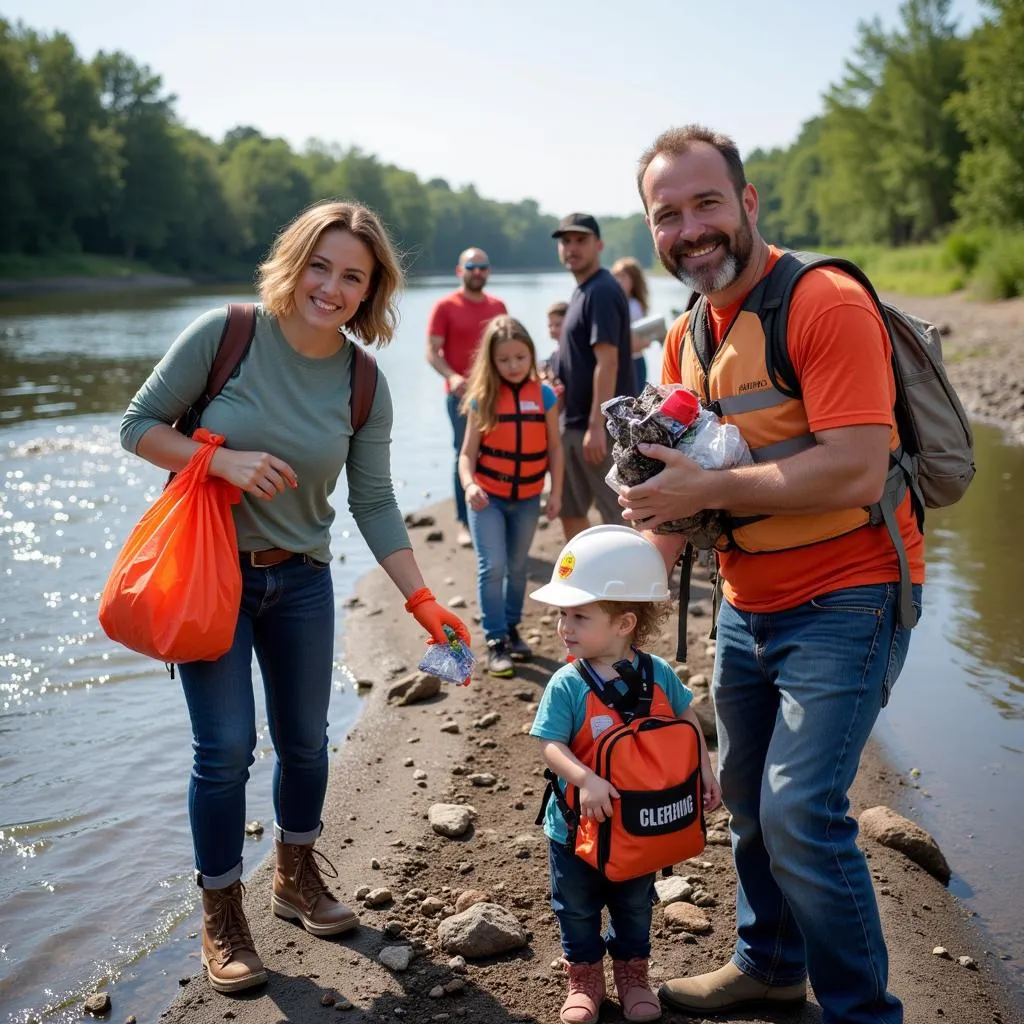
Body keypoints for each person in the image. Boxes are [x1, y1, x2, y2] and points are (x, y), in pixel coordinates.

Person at [119, 200, 472, 996]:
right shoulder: (227, 334)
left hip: (303, 580)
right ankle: (220, 910)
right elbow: (138, 426)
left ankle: (294, 879)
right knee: (225, 750)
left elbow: (374, 500)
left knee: (307, 743)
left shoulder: (363, 381)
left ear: (371, 291)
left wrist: (422, 602)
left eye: (353, 276)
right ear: (294, 261)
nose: (332, 287)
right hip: (211, 576)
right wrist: (221, 461)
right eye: (321, 265)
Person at [623, 124, 925, 1023]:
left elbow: (856, 468)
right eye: (667, 214)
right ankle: (770, 964)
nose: (691, 228)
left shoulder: (824, 302)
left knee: (800, 813)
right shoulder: (682, 339)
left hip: (853, 594)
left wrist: (705, 483)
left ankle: (863, 1011)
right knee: (749, 802)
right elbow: (678, 505)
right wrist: (610, 628)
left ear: (748, 204)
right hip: (746, 606)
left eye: (707, 202)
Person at [529, 525, 721, 1024]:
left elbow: (686, 723)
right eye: (562, 615)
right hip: (575, 827)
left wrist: (705, 771)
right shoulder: (568, 683)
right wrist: (586, 779)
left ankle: (634, 975)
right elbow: (549, 744)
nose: (563, 627)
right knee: (575, 905)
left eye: (579, 616)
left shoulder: (656, 672)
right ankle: (585, 980)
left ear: (624, 622)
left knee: (635, 905)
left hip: (640, 824)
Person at [458, 316, 564, 677]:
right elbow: (466, 456)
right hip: (488, 497)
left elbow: (555, 448)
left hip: (529, 498)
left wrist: (557, 493)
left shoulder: (545, 395)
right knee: (494, 566)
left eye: (520, 357)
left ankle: (513, 626)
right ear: (492, 361)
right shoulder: (482, 399)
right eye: (504, 360)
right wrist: (470, 485)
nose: (514, 366)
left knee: (518, 568)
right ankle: (495, 640)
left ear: (530, 355)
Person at [552, 214, 636, 542]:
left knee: (615, 517)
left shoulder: (601, 289)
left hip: (598, 430)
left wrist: (596, 427)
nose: (571, 248)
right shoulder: (580, 292)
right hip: (573, 425)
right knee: (571, 512)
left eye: (580, 240)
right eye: (565, 241)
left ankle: (626, 591)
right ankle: (588, 590)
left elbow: (608, 362)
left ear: (599, 245)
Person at [426, 247, 508, 548]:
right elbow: (432, 352)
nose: (477, 272)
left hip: (496, 396)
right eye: (471, 267)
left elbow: (508, 349)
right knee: (465, 455)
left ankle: (496, 514)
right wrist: (451, 376)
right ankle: (463, 522)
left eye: (482, 266)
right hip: (461, 397)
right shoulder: (445, 306)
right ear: (459, 271)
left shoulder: (498, 305)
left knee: (498, 454)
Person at [610, 257, 656, 392]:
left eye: (622, 277)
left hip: (633, 364)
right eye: (615, 277)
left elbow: (644, 340)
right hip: (623, 362)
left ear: (634, 281)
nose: (618, 281)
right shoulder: (616, 304)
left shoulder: (633, 306)